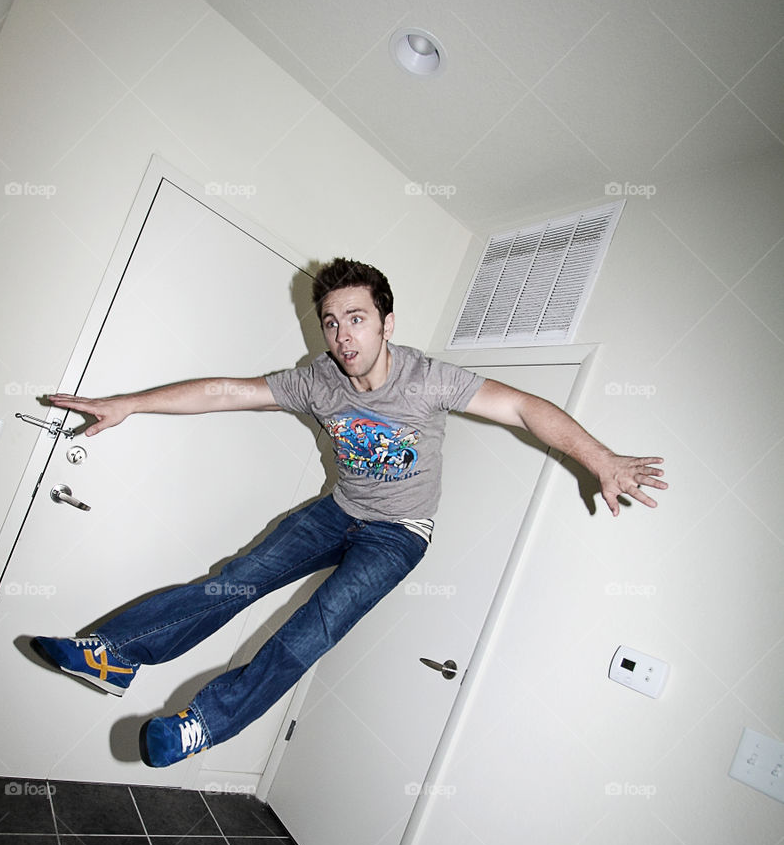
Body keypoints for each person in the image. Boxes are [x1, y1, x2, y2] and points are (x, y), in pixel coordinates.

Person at [33, 258, 667, 768]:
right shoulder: (317, 381)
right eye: (332, 322)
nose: (342, 336)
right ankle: (115, 653)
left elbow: (526, 408)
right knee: (235, 579)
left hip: (398, 536)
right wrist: (130, 403)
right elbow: (226, 391)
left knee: (312, 628)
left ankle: (203, 723)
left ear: (386, 324)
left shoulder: (429, 379)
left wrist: (600, 458)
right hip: (339, 511)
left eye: (357, 320)